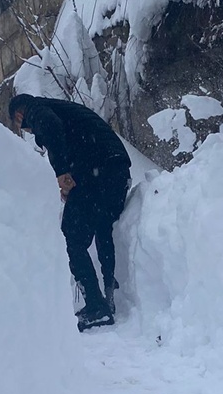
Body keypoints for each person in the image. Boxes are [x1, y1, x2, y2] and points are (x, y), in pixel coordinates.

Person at [8, 93, 131, 329]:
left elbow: (51, 127)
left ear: (20, 114)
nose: (28, 130)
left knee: (71, 235)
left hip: (98, 171)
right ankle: (108, 297)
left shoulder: (36, 108)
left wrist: (62, 172)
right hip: (115, 169)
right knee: (103, 228)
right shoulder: (64, 109)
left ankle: (97, 307)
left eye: (20, 124)